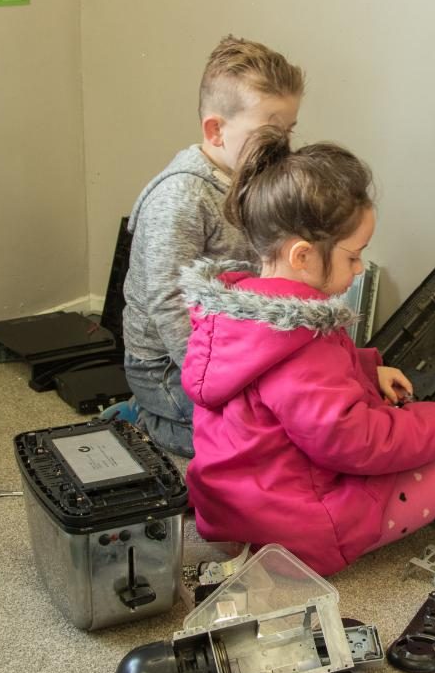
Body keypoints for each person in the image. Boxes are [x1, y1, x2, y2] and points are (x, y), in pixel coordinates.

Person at [177, 126, 435, 576]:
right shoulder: (304, 338)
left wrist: (368, 371)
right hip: (295, 532)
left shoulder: (242, 314)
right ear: (302, 256)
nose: (360, 268)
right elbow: (351, 441)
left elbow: (287, 391)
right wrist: (430, 425)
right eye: (353, 256)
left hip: (227, 514)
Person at [120, 36, 304, 456]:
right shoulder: (181, 198)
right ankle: (149, 420)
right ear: (216, 130)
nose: (284, 147)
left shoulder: (253, 180)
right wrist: (211, 380)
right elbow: (169, 303)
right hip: (168, 365)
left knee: (306, 413)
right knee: (262, 441)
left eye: (289, 131)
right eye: (270, 133)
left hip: (232, 347)